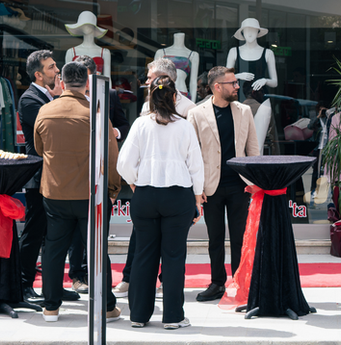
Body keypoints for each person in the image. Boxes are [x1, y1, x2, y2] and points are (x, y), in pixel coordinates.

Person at [34, 61, 121, 323]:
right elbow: (111, 156)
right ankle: (105, 306)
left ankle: (50, 306)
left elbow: (39, 149)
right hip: (90, 193)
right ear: (87, 83)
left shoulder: (45, 111)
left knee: (53, 249)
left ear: (61, 82)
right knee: (97, 249)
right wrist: (113, 189)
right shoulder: (95, 113)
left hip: (55, 192)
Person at [117, 76, 204, 329]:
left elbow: (123, 163)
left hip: (145, 195)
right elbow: (195, 167)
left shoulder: (140, 124)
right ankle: (173, 317)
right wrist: (197, 199)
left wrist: (135, 183)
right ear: (175, 97)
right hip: (178, 196)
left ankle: (138, 315)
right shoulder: (185, 126)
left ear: (150, 97)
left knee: (144, 254)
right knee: (174, 256)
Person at [187, 66, 260, 302]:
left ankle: (241, 282)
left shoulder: (244, 111)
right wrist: (197, 190)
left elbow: (253, 149)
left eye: (237, 83)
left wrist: (255, 181)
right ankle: (217, 283)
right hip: (211, 186)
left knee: (240, 237)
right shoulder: (197, 113)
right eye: (233, 83)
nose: (237, 87)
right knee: (214, 238)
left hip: (240, 184)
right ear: (217, 87)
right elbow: (193, 154)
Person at [17, 49, 64, 302]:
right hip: (39, 174)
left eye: (56, 66)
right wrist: (59, 100)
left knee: (52, 233)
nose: (57, 70)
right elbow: (49, 134)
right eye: (51, 67)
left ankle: (51, 287)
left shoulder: (46, 96)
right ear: (38, 74)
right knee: (34, 231)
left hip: (53, 174)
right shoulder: (30, 100)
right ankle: (24, 284)